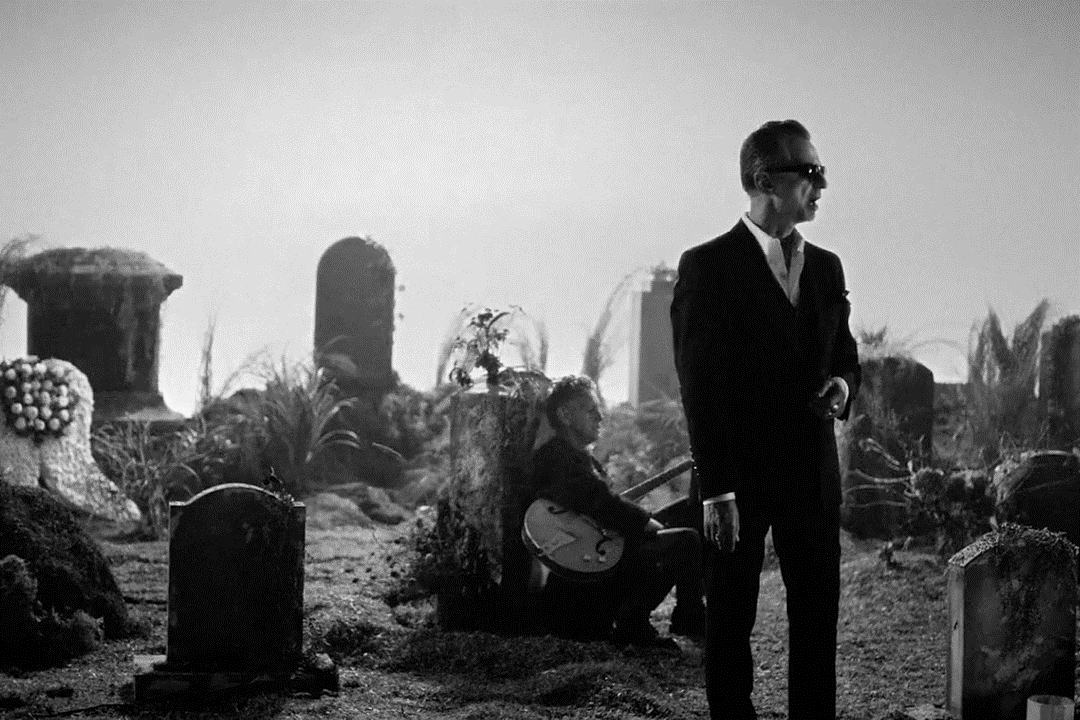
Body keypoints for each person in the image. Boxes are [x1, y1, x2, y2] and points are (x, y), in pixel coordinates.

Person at [670, 120, 861, 719]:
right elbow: (699, 387)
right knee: (729, 622)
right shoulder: (707, 266)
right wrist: (716, 490)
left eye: (821, 172)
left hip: (812, 476)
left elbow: (846, 356)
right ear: (763, 180)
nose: (821, 185)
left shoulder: (827, 268)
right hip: (737, 481)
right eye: (810, 172)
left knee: (817, 622)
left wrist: (842, 387)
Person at [528, 375, 706, 646]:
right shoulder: (555, 457)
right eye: (591, 410)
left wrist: (639, 521)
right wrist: (645, 523)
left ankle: (686, 614)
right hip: (583, 575)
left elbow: (597, 502)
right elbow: (600, 503)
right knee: (686, 541)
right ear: (565, 415)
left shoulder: (576, 457)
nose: (600, 417)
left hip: (601, 549)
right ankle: (636, 621)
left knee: (691, 511)